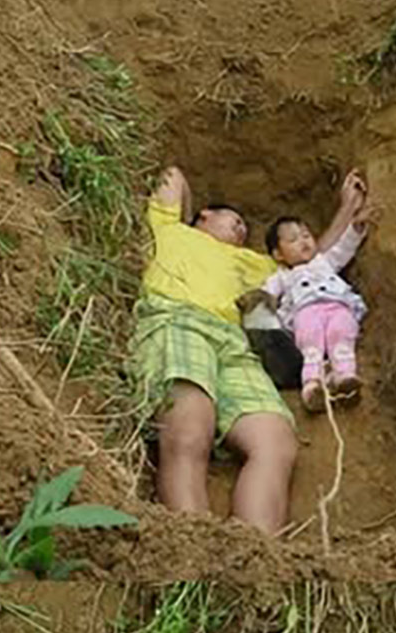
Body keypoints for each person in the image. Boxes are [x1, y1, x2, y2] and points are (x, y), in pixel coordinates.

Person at [134, 165, 364, 533]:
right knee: (190, 424)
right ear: (203, 215)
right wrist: (193, 216)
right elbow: (174, 175)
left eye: (245, 226)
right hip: (178, 318)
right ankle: (190, 556)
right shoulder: (169, 230)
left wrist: (347, 207)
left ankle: (254, 561)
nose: (242, 229)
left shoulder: (259, 265)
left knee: (276, 442)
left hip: (237, 342)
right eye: (234, 219)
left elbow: (312, 259)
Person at [262, 186, 372, 413]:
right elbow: (266, 295)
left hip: (338, 306)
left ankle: (344, 378)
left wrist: (356, 227)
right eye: (292, 239)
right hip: (305, 311)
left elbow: (344, 249)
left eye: (306, 235)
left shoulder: (324, 262)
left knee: (341, 333)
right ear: (278, 255)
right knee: (310, 342)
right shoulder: (283, 276)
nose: (303, 241)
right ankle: (312, 386)